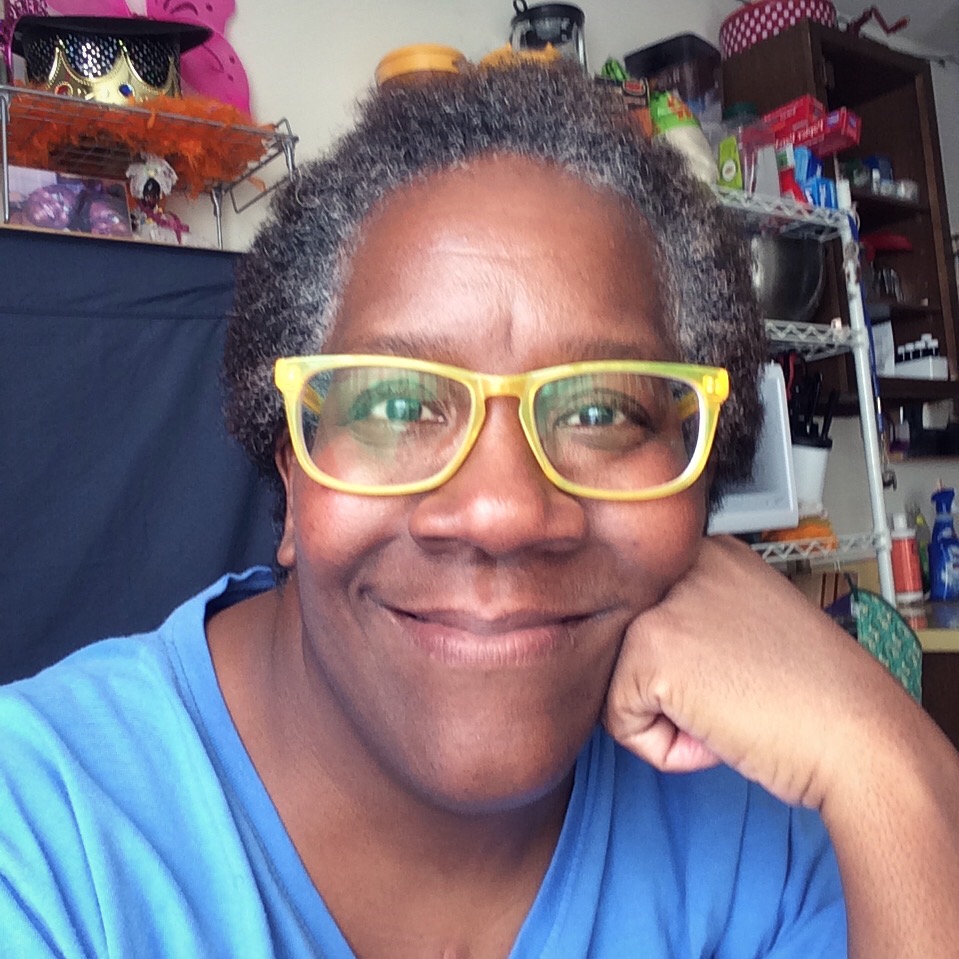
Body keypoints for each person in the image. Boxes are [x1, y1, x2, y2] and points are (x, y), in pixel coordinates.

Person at [1, 60, 957, 959]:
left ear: (698, 476)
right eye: (394, 404)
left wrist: (896, 775)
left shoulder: (764, 817)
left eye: (597, 410)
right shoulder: (43, 836)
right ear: (292, 476)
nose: (501, 511)